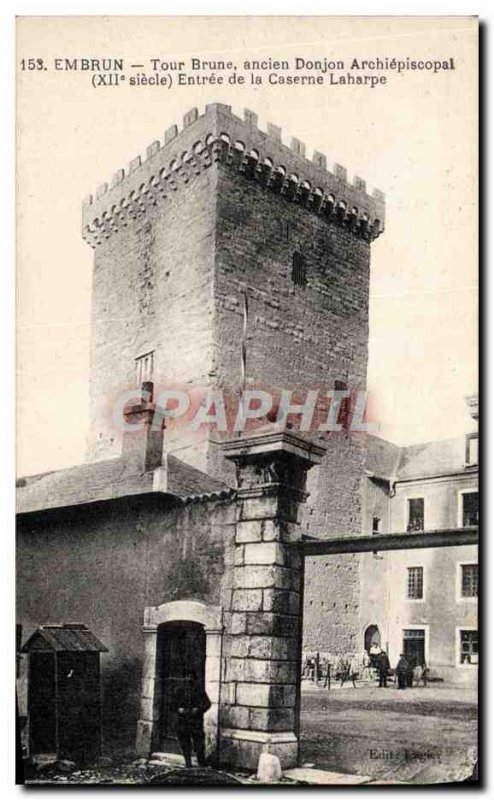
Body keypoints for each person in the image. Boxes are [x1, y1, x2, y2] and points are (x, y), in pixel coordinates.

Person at [171, 670, 211, 768]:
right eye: (187, 676)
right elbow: (171, 704)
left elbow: (207, 703)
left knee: (199, 743)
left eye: (191, 676)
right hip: (182, 721)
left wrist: (198, 709)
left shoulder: (199, 690)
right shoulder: (178, 689)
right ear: (184, 678)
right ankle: (188, 762)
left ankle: (201, 762)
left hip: (195, 721)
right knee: (185, 743)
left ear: (194, 678)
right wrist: (178, 709)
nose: (189, 679)